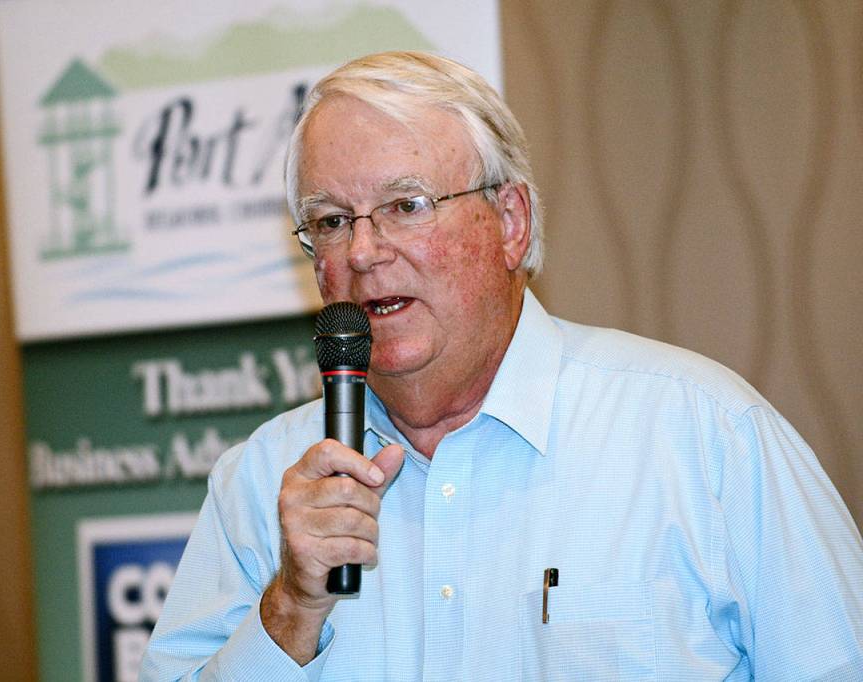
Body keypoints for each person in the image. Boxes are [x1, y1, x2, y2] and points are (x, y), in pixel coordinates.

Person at [141, 51, 863, 680]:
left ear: (511, 222)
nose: (362, 251)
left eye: (406, 206)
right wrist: (292, 607)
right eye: (331, 221)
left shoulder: (704, 439)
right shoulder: (259, 482)